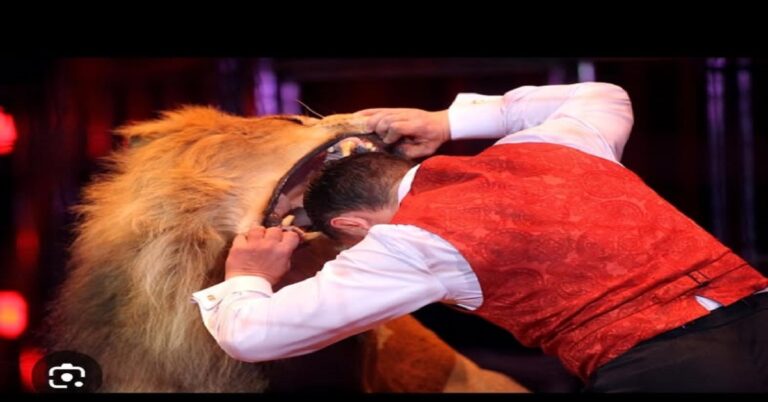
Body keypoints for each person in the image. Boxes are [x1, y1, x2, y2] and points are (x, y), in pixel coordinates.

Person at [192, 82, 768, 392]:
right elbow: (603, 95)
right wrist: (448, 123)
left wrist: (248, 276)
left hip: (670, 370)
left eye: (350, 247)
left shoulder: (410, 241)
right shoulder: (550, 145)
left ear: (350, 227)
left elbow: (255, 338)